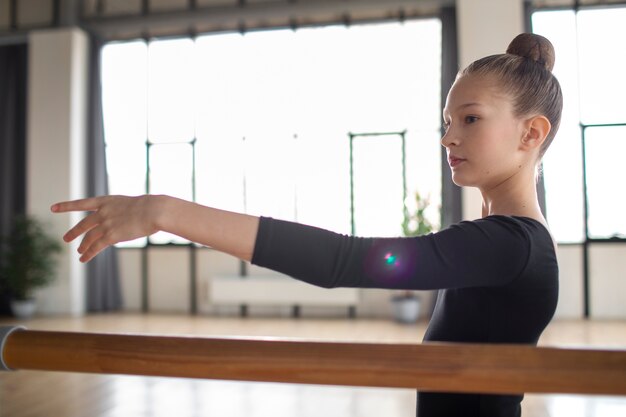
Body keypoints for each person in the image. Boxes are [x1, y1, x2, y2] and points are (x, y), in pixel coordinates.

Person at [51, 32, 562, 417]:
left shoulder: (509, 245)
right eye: (446, 122)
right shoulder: (505, 243)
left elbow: (345, 260)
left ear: (530, 133)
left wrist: (165, 213)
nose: (448, 138)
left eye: (470, 119)